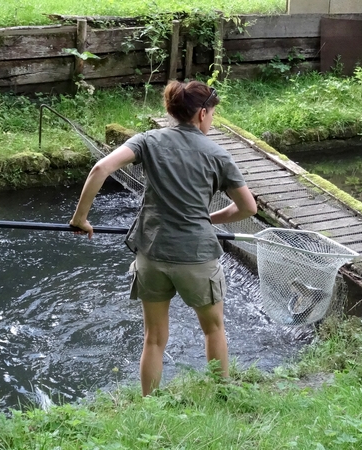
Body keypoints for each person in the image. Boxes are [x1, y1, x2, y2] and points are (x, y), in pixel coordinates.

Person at [70, 80, 257, 396]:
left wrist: (80, 219)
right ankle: (222, 395)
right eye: (212, 114)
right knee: (213, 329)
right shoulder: (218, 155)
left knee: (154, 338)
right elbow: (247, 208)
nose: (211, 120)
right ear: (201, 114)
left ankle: (150, 405)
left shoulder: (147, 141)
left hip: (152, 254)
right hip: (197, 255)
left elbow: (100, 168)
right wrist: (208, 219)